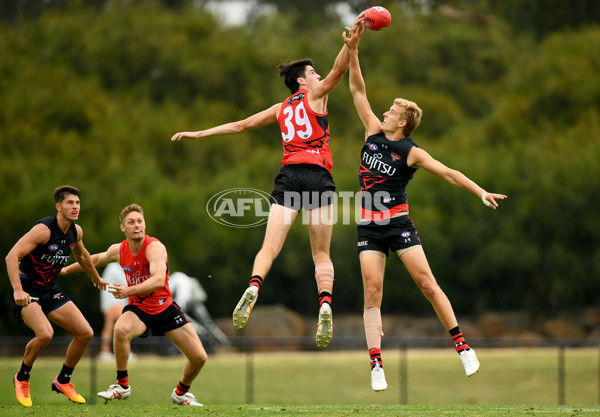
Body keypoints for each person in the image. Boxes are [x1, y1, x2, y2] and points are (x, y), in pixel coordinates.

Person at [171, 18, 365, 349]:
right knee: (321, 255)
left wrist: (199, 133)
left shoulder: (280, 109)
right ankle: (325, 305)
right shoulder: (316, 95)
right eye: (313, 73)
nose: (318, 77)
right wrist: (352, 44)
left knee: (269, 249)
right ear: (303, 81)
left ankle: (254, 286)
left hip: (288, 177)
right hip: (318, 176)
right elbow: (339, 71)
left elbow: (240, 125)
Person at [346, 21, 507, 391]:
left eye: (391, 111)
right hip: (369, 226)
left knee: (427, 284)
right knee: (372, 292)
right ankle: (376, 366)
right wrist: (353, 51)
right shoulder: (371, 130)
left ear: (403, 121)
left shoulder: (411, 151)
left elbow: (449, 173)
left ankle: (463, 347)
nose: (384, 111)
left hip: (399, 223)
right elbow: (357, 88)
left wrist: (480, 191)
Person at [60, 204, 207, 406]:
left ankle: (181, 393)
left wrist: (128, 291)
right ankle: (122, 386)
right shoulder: (119, 250)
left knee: (199, 357)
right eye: (131, 222)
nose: (137, 225)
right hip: (139, 309)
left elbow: (157, 280)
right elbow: (94, 259)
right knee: (120, 329)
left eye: (140, 221)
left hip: (165, 308)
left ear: (144, 224)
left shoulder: (155, 248)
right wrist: (65, 270)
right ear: (123, 228)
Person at [5, 185, 108, 407]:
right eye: (70, 203)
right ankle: (22, 378)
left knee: (85, 333)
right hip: (27, 288)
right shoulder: (43, 230)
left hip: (49, 289)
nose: (75, 207)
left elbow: (83, 256)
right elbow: (11, 256)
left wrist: (96, 278)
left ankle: (63, 381)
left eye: (78, 203)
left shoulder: (75, 232)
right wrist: (17, 290)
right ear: (59, 207)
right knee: (45, 334)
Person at [98, 262, 134, 361]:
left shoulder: (112, 267)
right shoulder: (114, 267)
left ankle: (105, 352)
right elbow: (127, 283)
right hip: (114, 302)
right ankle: (125, 353)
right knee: (123, 327)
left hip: (111, 302)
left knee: (109, 327)